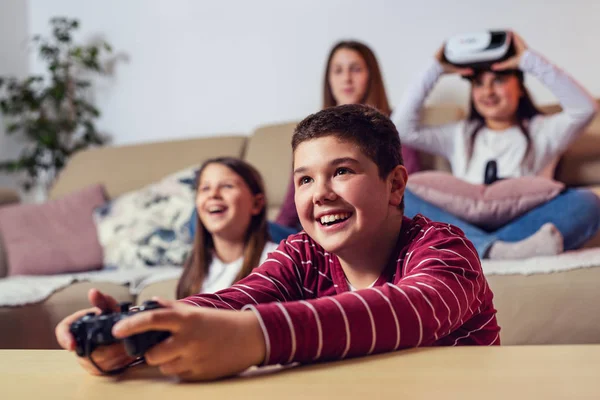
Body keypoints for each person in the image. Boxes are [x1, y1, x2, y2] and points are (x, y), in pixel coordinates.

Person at [55, 104, 499, 382]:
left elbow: (408, 311)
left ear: (395, 185)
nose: (319, 192)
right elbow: (234, 299)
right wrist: (138, 329)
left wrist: (254, 337)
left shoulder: (443, 248)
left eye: (341, 171)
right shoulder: (298, 254)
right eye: (304, 179)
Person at [393, 32, 600, 259]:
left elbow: (585, 108)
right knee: (400, 195)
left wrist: (528, 60)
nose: (488, 92)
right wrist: (437, 68)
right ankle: (493, 249)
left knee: (587, 202)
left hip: (524, 222)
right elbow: (400, 128)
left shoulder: (542, 131)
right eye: (479, 84)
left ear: (520, 88)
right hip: (463, 222)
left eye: (498, 81)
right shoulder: (461, 134)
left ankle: (481, 250)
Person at [276, 40, 422, 229]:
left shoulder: (395, 127)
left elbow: (411, 193)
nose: (346, 78)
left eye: (355, 69)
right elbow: (289, 212)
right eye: (338, 71)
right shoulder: (311, 138)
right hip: (310, 229)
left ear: (371, 76)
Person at [177, 157, 278, 298]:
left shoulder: (276, 261)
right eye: (205, 188)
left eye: (227, 186)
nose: (213, 195)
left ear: (256, 204)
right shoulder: (195, 268)